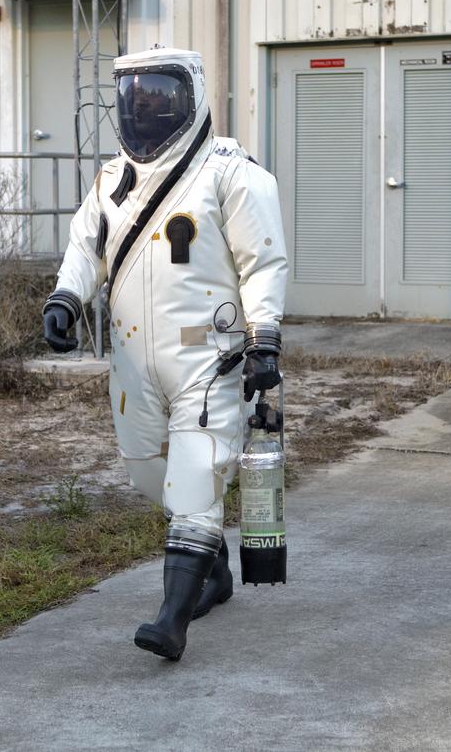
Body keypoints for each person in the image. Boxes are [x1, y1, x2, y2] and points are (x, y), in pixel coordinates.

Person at [41, 47, 288, 660]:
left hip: (210, 354)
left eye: (159, 93)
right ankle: (214, 566)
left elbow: (263, 263)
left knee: (199, 469)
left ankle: (171, 620)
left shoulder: (230, 173)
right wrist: (66, 300)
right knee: (151, 471)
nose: (146, 106)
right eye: (135, 94)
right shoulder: (110, 181)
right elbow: (84, 249)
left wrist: (264, 339)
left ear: (191, 93)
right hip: (132, 362)